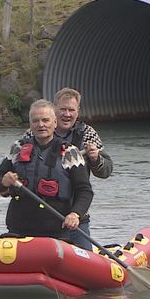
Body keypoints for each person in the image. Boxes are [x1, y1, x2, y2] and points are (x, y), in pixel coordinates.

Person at [0, 99, 93, 244]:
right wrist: (3, 181)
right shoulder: (18, 148)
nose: (41, 125)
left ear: (55, 123)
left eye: (45, 120)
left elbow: (85, 191)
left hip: (56, 232)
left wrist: (75, 214)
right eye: (35, 121)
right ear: (30, 124)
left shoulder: (70, 152)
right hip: (19, 230)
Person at [23, 87, 113, 250]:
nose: (67, 114)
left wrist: (95, 158)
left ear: (78, 112)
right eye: (62, 109)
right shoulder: (34, 133)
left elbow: (106, 171)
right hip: (38, 218)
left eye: (71, 110)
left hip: (75, 215)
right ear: (54, 110)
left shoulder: (87, 134)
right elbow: (17, 165)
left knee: (85, 264)